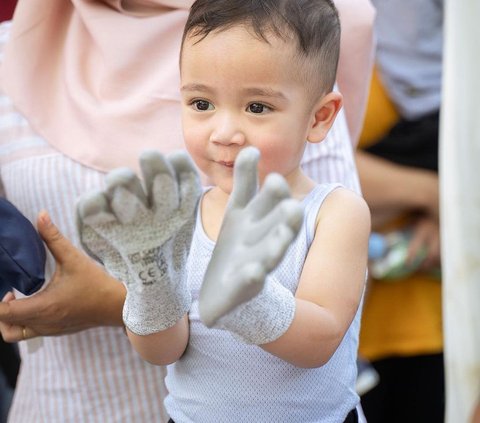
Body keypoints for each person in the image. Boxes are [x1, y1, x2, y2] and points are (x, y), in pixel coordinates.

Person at [0, 0, 374, 421]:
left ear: (320, 117)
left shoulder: (333, 213)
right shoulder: (184, 216)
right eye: (201, 104)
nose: (225, 132)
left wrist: (249, 299)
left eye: (257, 107)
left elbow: (319, 343)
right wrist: (150, 281)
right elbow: (163, 351)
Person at [356, 1, 444, 422]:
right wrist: (440, 195)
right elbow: (305, 167)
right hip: (345, 339)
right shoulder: (307, 27)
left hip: (440, 318)